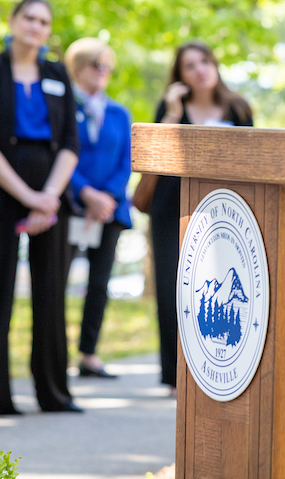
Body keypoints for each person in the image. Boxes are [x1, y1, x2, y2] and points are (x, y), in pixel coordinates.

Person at [0, 0, 80, 415]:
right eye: (28, 18)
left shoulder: (57, 74)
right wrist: (27, 197)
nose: (35, 26)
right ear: (12, 21)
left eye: (44, 21)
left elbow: (70, 142)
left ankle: (55, 393)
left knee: (51, 296)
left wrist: (48, 197)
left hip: (51, 194)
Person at [147, 41, 253, 393]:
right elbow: (155, 153)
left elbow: (253, 159)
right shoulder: (171, 107)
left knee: (218, 290)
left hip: (224, 211)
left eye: (204, 61)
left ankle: (216, 367)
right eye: (189, 66)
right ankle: (173, 374)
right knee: (172, 288)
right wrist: (173, 112)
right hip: (171, 209)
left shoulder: (238, 108)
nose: (200, 70)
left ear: (216, 65)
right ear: (180, 76)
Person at [63, 37, 131, 380]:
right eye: (96, 65)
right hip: (69, 206)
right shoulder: (62, 107)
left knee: (99, 284)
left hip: (110, 211)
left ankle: (88, 354)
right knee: (56, 281)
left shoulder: (120, 113)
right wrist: (85, 193)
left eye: (108, 66)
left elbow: (127, 161)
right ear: (77, 68)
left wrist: (105, 198)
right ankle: (54, 352)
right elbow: (60, 153)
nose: (103, 72)